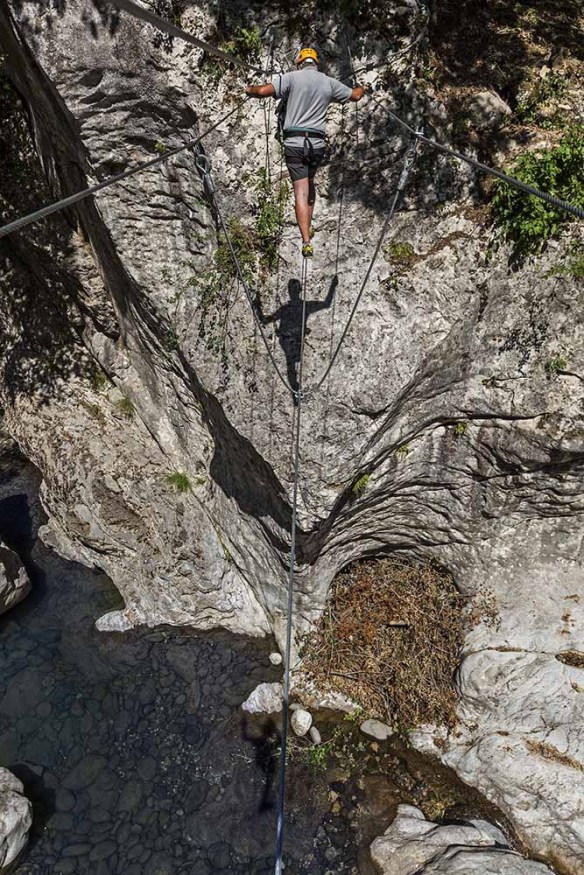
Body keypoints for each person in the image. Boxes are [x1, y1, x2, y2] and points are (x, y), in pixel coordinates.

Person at [246, 47, 366, 258]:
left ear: (299, 63)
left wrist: (250, 89)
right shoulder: (328, 82)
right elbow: (354, 96)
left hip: (294, 142)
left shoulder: (292, 78)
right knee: (309, 187)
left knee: (300, 191)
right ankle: (308, 230)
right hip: (317, 145)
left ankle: (306, 240)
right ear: (316, 63)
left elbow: (264, 92)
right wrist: (363, 88)